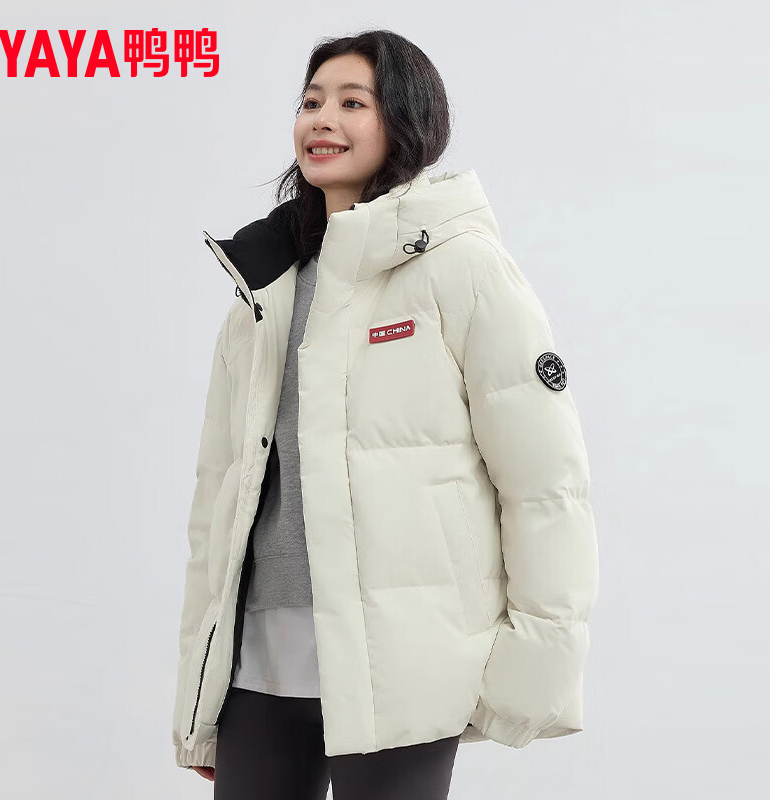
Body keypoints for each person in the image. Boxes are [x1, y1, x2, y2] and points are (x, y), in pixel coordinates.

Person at [171, 29, 599, 800]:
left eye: (351, 102)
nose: (321, 119)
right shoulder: (265, 289)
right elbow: (219, 499)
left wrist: (535, 661)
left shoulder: (462, 267)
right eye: (311, 102)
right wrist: (201, 694)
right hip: (259, 662)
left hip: (404, 662)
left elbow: (546, 487)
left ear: (404, 120)